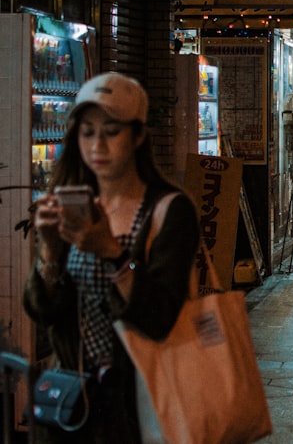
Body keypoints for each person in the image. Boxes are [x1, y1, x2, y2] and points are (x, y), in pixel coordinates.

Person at [24, 72, 200, 442]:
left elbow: (160, 318)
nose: (97, 145)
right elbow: (44, 313)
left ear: (138, 136)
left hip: (142, 404)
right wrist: (49, 253)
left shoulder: (169, 209)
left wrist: (112, 252)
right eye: (87, 132)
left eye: (111, 130)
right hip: (73, 402)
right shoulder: (75, 203)